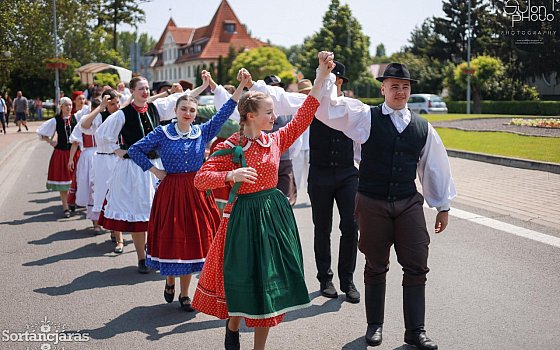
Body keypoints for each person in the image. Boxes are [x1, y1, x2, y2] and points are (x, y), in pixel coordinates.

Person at [191, 52, 334, 350]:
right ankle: (232, 325)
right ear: (250, 116)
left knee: (268, 285)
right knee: (244, 278)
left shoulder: (276, 139)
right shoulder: (231, 145)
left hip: (273, 217)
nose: (274, 117)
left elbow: (307, 111)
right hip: (242, 218)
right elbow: (200, 179)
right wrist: (232, 175)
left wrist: (320, 76)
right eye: (268, 112)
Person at [314, 62, 457, 349]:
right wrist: (324, 76)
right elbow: (327, 109)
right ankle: (374, 326)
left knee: (417, 265)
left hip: (407, 202)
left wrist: (442, 205)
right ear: (383, 89)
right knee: (376, 266)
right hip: (372, 202)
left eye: (405, 87)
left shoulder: (423, 128)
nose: (400, 91)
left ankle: (415, 331)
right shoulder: (365, 117)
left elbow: (434, 167)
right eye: (394, 86)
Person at [127, 71, 247, 311]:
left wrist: (241, 86)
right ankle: (169, 281)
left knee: (193, 241)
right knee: (173, 238)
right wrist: (155, 170)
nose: (188, 113)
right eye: (184, 109)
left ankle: (185, 294)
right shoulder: (162, 133)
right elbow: (134, 150)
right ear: (176, 110)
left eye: (192, 110)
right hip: (171, 191)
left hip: (196, 190)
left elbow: (224, 112)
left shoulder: (201, 132)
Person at [94, 75, 208, 273]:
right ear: (132, 91)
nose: (145, 92)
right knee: (139, 213)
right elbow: (102, 134)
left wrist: (204, 86)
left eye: (147, 88)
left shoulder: (156, 108)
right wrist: (117, 150)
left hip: (157, 165)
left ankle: (155, 253)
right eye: (141, 89)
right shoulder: (123, 114)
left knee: (159, 213)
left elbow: (183, 100)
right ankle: (141, 257)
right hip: (134, 168)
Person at [307, 61, 360, 303]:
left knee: (350, 226)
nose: (331, 84)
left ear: (340, 82)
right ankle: (325, 278)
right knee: (322, 227)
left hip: (347, 173)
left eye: (334, 80)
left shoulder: (351, 107)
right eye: (326, 79)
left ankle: (347, 280)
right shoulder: (313, 106)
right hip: (320, 174)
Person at [79, 89, 124, 252]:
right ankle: (117, 236)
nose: (116, 106)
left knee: (122, 196)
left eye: (117, 102)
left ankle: (118, 231)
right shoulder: (99, 116)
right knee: (109, 197)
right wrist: (100, 107)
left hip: (121, 159)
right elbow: (84, 125)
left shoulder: (123, 114)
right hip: (104, 160)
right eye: (112, 104)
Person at [36, 97, 79, 218]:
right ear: (61, 107)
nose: (69, 107)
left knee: (75, 181)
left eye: (70, 105)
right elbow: (41, 132)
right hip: (61, 153)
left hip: (75, 153)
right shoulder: (56, 120)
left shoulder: (76, 118)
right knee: (63, 182)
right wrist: (51, 141)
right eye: (66, 105)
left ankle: (72, 202)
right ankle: (66, 207)